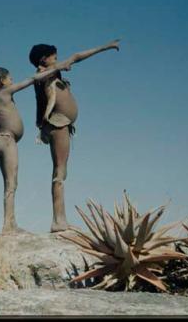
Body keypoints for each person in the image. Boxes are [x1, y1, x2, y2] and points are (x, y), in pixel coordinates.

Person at [28, 39, 120, 232]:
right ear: (44, 59)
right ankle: (58, 221)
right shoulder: (44, 74)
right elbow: (76, 57)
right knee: (59, 173)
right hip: (57, 123)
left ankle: (60, 219)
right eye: (54, 57)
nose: (58, 60)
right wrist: (105, 46)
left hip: (61, 124)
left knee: (62, 171)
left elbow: (40, 100)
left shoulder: (50, 74)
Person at [0, 63, 70, 235]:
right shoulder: (5, 93)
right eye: (9, 78)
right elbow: (32, 79)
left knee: (9, 183)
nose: (12, 80)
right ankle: (8, 226)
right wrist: (58, 69)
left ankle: (11, 223)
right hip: (7, 140)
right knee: (11, 184)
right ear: (2, 82)